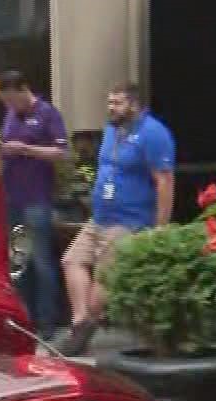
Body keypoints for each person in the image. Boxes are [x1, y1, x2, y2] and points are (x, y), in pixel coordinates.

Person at [59, 82, 175, 356]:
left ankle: (85, 326)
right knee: (71, 260)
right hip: (99, 218)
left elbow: (164, 182)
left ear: (134, 104)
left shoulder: (153, 133)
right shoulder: (112, 129)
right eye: (109, 102)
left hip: (130, 220)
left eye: (117, 103)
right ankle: (81, 322)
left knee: (105, 275)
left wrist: (160, 227)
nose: (111, 108)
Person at [0, 70, 69, 338]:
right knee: (20, 262)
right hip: (14, 196)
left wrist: (26, 149)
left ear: (24, 90)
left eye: (12, 100)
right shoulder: (10, 116)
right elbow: (3, 144)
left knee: (41, 261)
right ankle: (25, 318)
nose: (10, 106)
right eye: (6, 102)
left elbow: (61, 152)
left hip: (37, 199)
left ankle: (48, 321)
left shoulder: (47, 113)